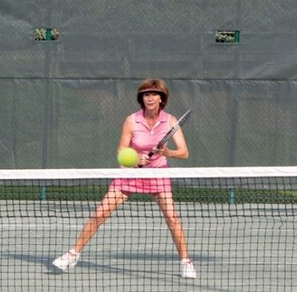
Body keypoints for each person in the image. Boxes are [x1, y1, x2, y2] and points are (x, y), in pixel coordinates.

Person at [53, 78, 197, 279]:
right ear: (141, 98)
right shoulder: (131, 120)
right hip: (130, 174)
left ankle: (185, 262)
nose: (150, 98)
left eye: (154, 94)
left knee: (172, 219)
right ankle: (73, 254)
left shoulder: (171, 121)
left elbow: (184, 153)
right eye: (146, 94)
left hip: (158, 175)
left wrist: (166, 152)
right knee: (99, 214)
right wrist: (135, 158)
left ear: (162, 98)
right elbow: (121, 150)